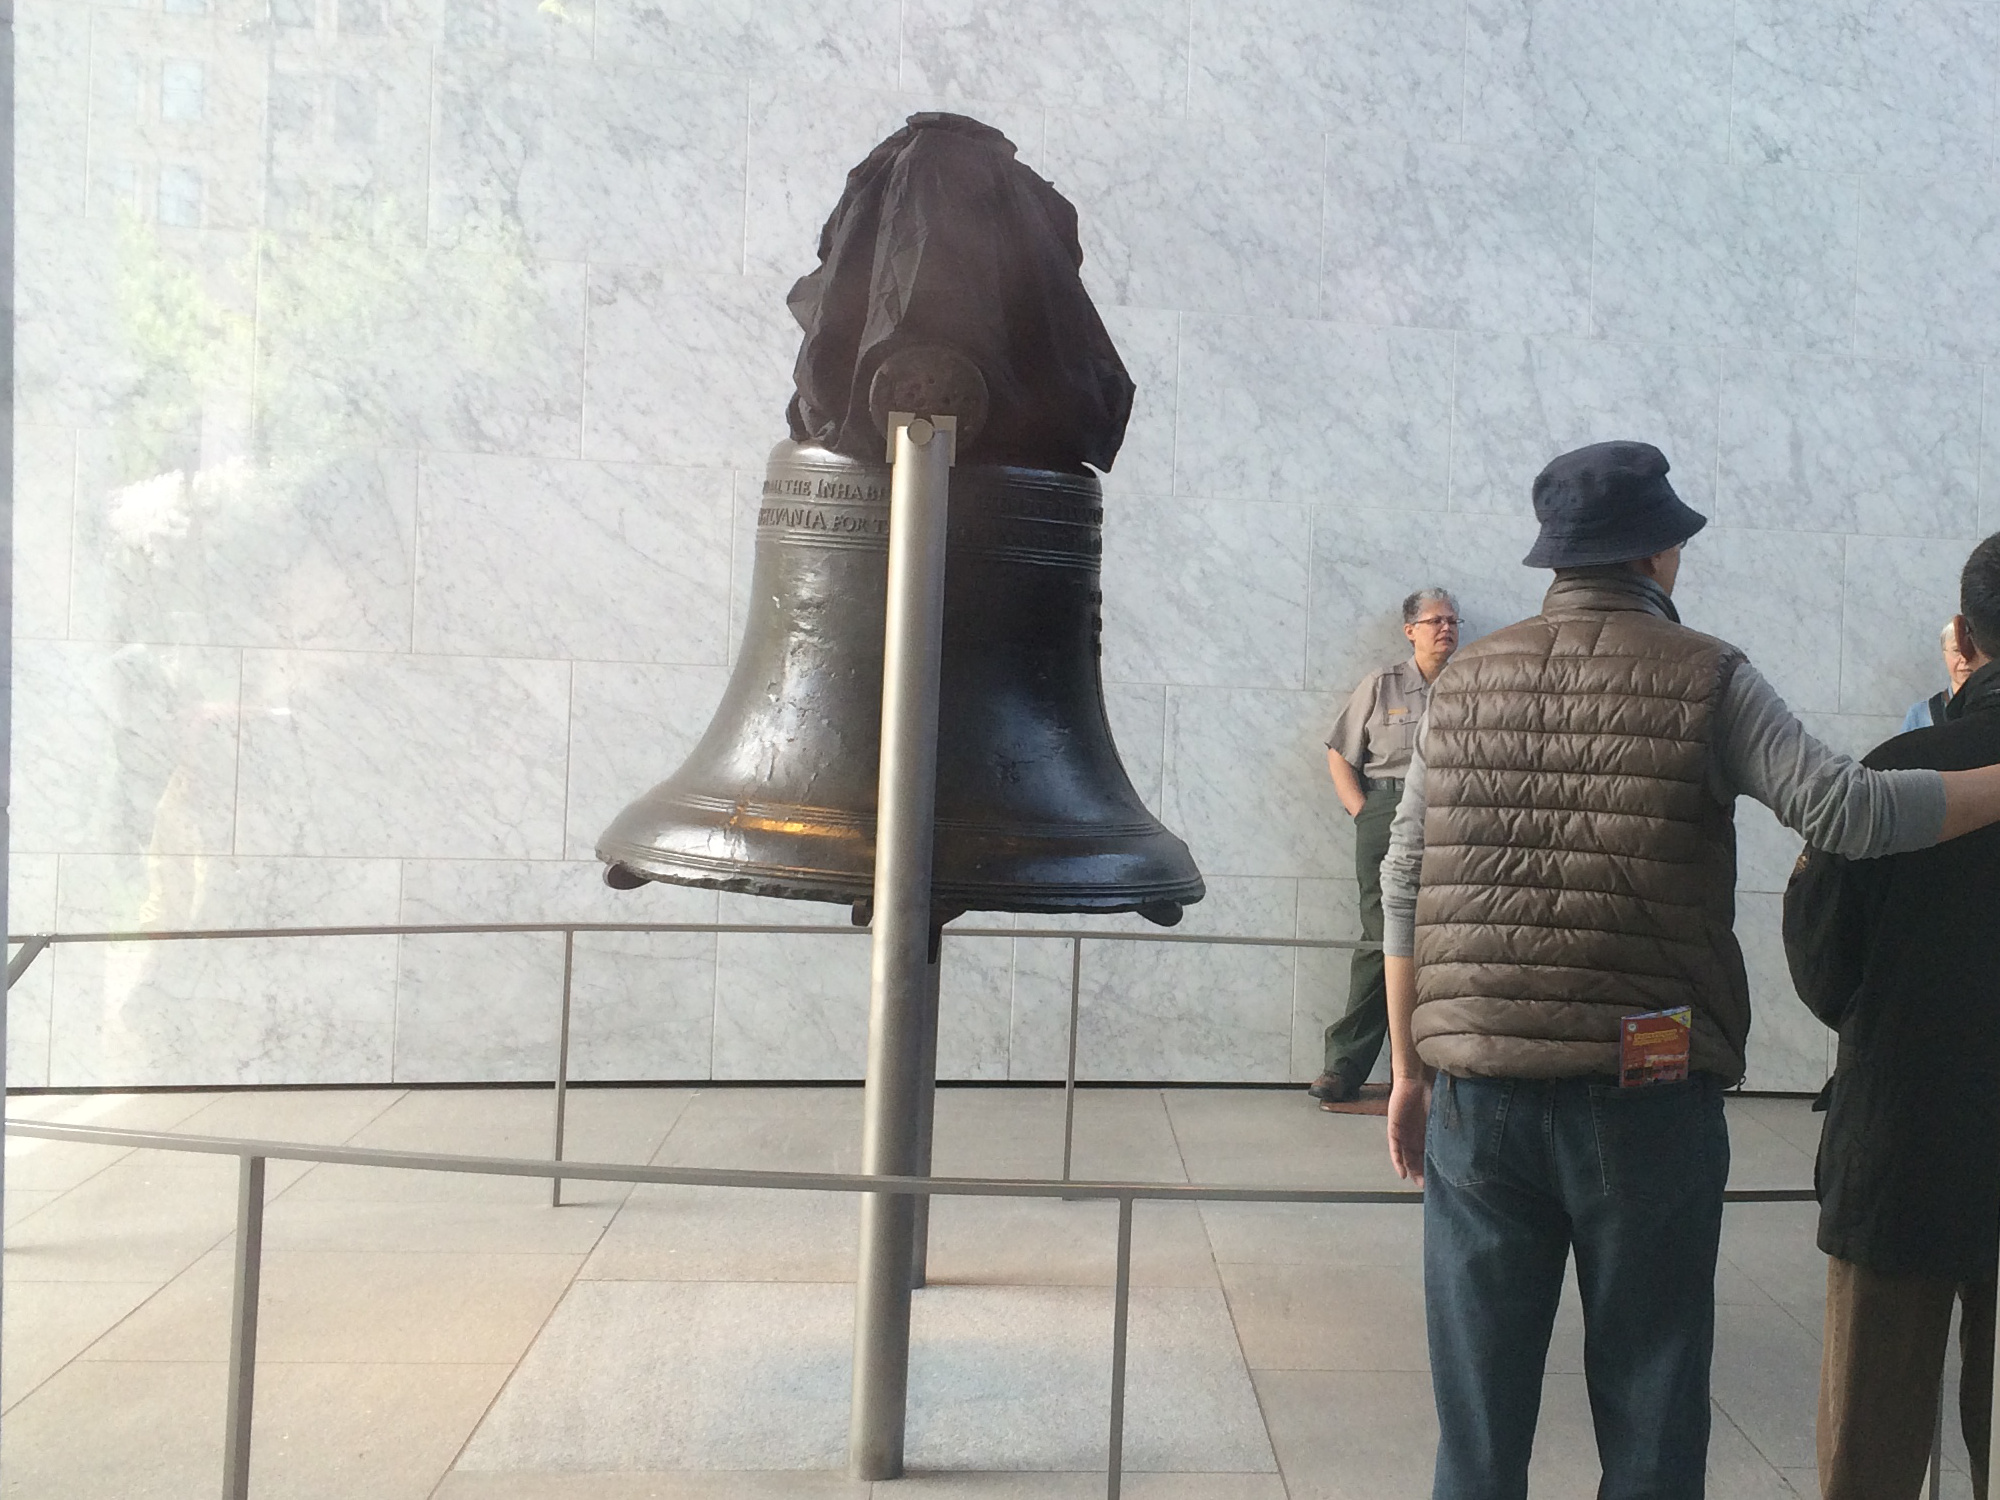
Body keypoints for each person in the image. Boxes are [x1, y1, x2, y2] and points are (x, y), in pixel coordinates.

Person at [1373, 440, 2000, 1500]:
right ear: (1660, 553)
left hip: (1475, 1093)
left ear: (1556, 558)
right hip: (1645, 1089)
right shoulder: (1705, 675)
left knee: (1476, 1434)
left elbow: (1400, 877)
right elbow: (1847, 811)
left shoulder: (1464, 680)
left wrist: (1406, 1069)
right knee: (1651, 1411)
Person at [1783, 533, 2000, 1500]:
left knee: (1869, 1445)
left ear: (1963, 634)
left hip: (1902, 1140)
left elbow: (1823, 964)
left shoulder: (1896, 773)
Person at [1308, 588, 1461, 1107]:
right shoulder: (1382, 684)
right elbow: (1339, 751)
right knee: (1382, 936)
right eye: (1435, 620)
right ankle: (1353, 1065)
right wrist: (1361, 810)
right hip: (1385, 811)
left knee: (1438, 939)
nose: (1446, 628)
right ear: (1410, 630)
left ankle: (1410, 1069)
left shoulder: (1471, 685)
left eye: (1452, 621)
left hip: (1450, 819)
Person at [1901, 618, 1975, 732]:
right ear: (1944, 654)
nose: (1965, 658)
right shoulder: (1920, 714)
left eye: (1972, 650)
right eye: (1957, 650)